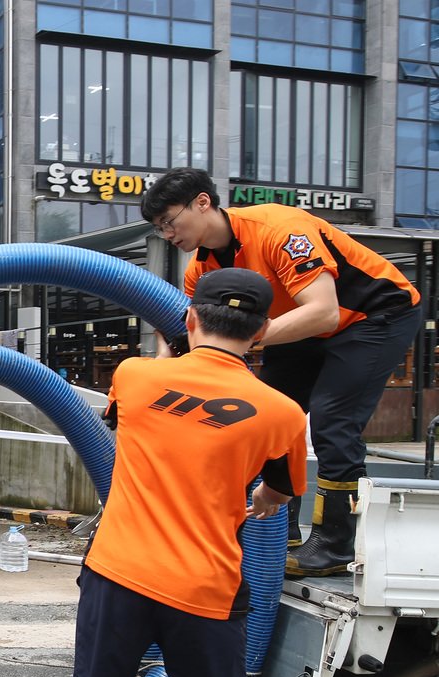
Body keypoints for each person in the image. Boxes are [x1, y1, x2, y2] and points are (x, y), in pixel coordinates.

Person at [25, 269, 308, 677]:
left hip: (120, 574)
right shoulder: (282, 413)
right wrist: (255, 502)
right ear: (262, 332)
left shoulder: (138, 377)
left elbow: (123, 429)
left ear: (190, 321)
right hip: (206, 592)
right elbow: (281, 491)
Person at [141, 167, 421, 577]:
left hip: (372, 316)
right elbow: (185, 331)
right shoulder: (200, 271)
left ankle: (335, 543)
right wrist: (158, 379)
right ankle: (277, 531)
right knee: (263, 416)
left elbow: (323, 312)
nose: (168, 235)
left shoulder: (278, 229)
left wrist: (243, 339)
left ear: (203, 202)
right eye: (159, 228)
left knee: (332, 419)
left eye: (169, 222)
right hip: (292, 327)